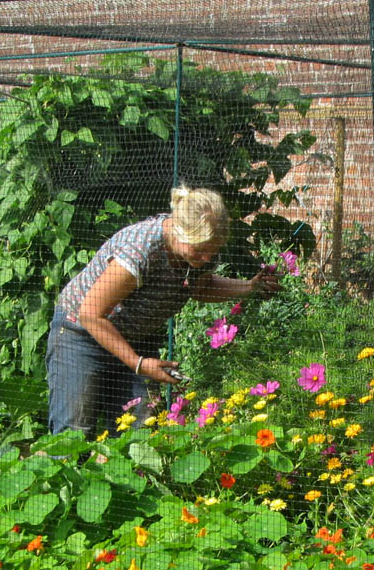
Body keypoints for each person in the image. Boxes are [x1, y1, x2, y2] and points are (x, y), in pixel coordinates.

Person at [46, 186, 279, 436]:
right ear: (179, 231)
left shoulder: (200, 250)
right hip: (81, 335)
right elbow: (90, 313)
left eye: (212, 250)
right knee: (74, 434)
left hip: (135, 339)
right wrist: (138, 363)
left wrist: (250, 287)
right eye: (200, 250)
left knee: (138, 432)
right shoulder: (140, 250)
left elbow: (200, 287)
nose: (207, 257)